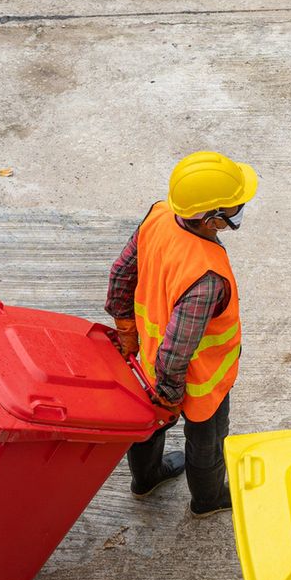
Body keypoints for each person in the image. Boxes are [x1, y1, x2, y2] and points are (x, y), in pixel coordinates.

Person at [104, 151, 257, 518]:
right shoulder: (206, 277)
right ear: (212, 220)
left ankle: (146, 479)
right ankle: (208, 500)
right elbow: (178, 348)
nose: (239, 212)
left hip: (147, 359)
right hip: (198, 379)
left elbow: (122, 274)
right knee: (208, 442)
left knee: (149, 424)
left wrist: (126, 329)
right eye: (233, 208)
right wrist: (170, 395)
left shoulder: (158, 215)